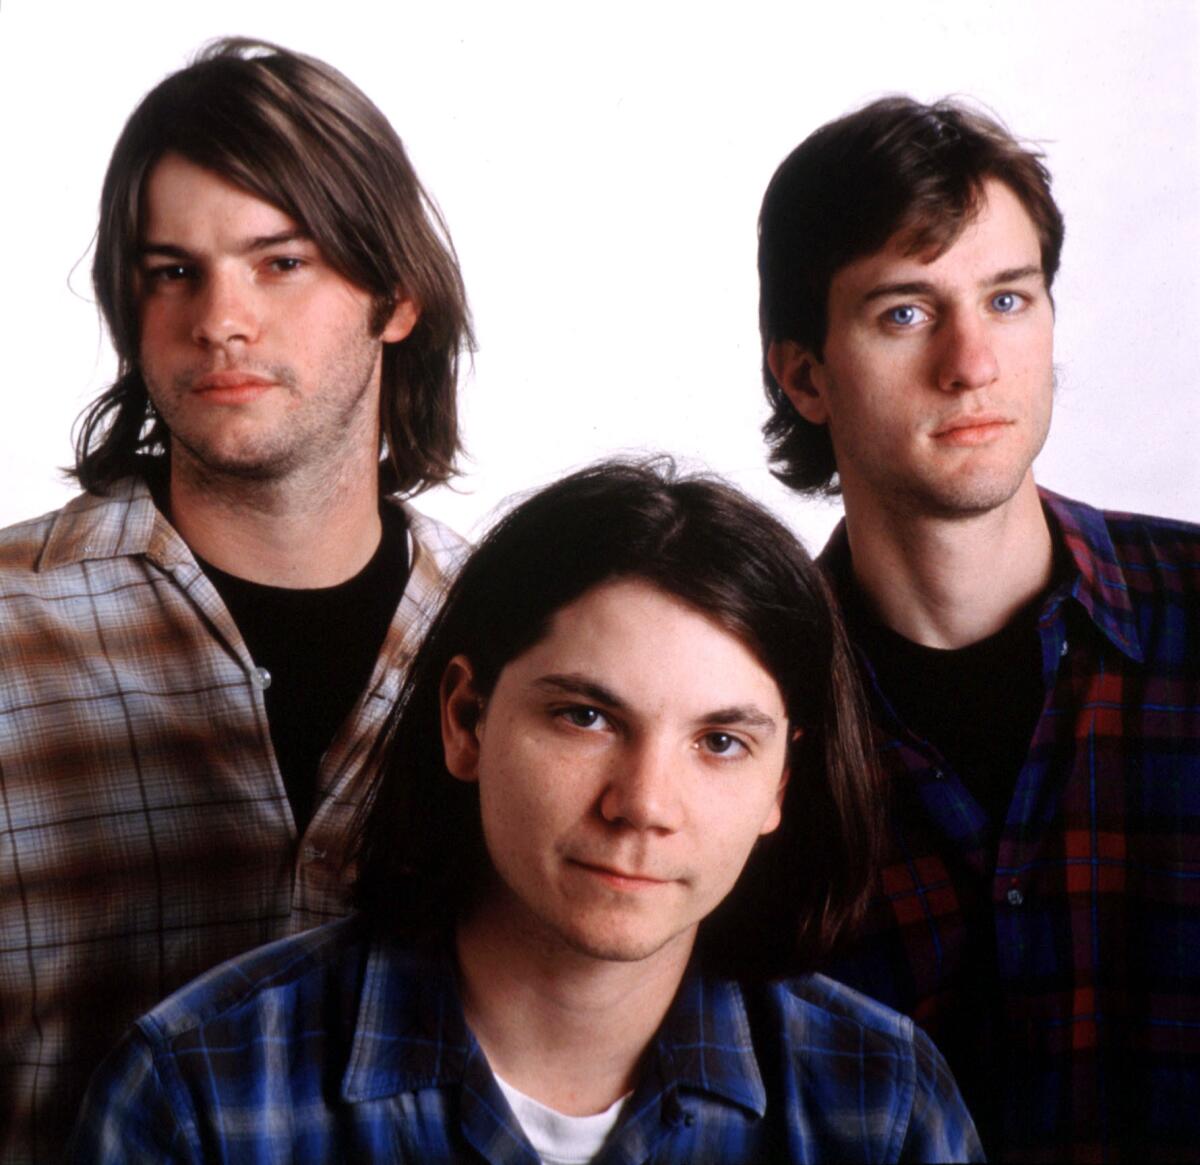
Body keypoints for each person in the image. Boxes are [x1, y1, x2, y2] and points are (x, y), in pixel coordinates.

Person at [69, 460, 982, 1163]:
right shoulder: (199, 1096)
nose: (644, 805)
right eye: (585, 716)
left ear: (784, 781)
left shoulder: (882, 1106)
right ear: (465, 720)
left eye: (720, 742)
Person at [0, 38, 472, 1161]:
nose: (220, 318)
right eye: (174, 270)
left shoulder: (510, 637)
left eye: (279, 262)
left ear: (395, 293)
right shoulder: (11, 631)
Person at [758, 95, 1200, 1161]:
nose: (971, 362)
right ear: (804, 374)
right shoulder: (745, 708)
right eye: (905, 313)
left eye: (1008, 299)